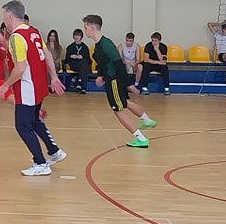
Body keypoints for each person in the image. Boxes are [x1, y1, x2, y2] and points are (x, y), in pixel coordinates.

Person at [0, 1, 65, 175]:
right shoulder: (33, 32)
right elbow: (47, 54)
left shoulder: (16, 37)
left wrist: (5, 85)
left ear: (10, 17)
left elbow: (20, 68)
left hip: (28, 88)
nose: (3, 20)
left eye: (3, 17)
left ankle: (40, 163)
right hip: (40, 85)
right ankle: (54, 151)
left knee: (22, 126)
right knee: (34, 121)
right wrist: (54, 76)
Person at [84, 14, 156, 148]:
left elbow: (118, 64)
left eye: (86, 27)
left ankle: (141, 139)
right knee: (125, 103)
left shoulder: (106, 44)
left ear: (92, 27)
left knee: (118, 110)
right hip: (111, 80)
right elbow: (105, 63)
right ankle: (146, 120)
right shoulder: (99, 45)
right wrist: (101, 75)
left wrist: (129, 85)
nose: (85, 30)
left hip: (114, 82)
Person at [63, 28, 90, 93]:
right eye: (75, 35)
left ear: (81, 37)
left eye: (78, 35)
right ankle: (82, 85)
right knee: (84, 68)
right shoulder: (70, 47)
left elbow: (88, 59)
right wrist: (71, 56)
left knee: (84, 63)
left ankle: (80, 83)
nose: (77, 37)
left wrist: (82, 57)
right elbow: (66, 60)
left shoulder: (85, 47)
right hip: (74, 64)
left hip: (82, 64)